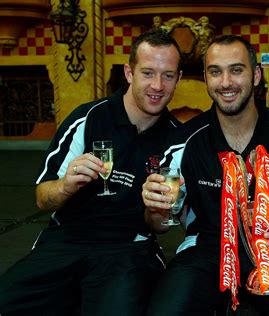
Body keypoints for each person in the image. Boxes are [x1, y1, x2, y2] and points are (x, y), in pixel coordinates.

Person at [0, 29, 183, 315]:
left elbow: (158, 226)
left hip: (128, 248)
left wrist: (158, 211)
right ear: (129, 73)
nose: (157, 85)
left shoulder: (177, 139)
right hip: (67, 239)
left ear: (178, 79)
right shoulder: (88, 118)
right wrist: (66, 186)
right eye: (147, 73)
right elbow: (41, 197)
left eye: (168, 75)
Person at [142, 35, 269, 315]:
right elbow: (159, 225)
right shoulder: (185, 141)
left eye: (236, 70)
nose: (226, 82)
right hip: (205, 252)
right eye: (215, 72)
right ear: (206, 78)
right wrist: (155, 207)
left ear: (256, 75)